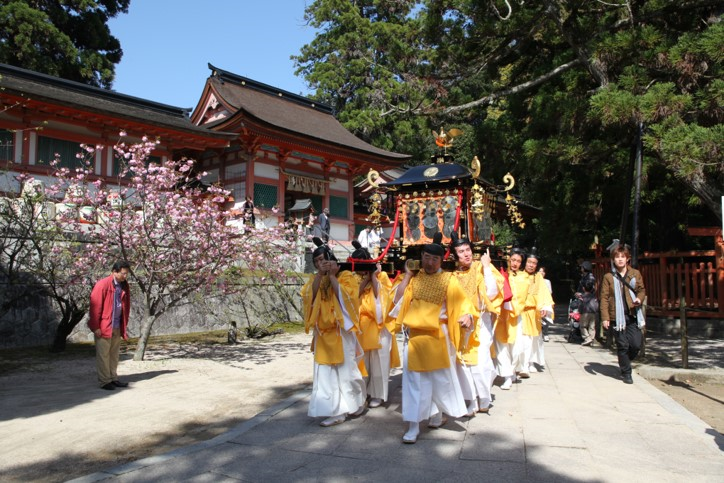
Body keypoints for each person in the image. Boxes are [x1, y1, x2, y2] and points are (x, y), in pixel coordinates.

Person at [390, 232, 475, 444]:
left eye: (434, 259)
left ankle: (437, 413)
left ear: (441, 260)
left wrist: (466, 315)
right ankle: (413, 425)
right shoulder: (414, 277)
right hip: (415, 337)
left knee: (440, 379)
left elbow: (464, 303)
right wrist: (408, 275)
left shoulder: (449, 280)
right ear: (422, 256)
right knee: (414, 381)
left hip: (439, 336)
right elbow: (397, 299)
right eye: (426, 257)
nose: (429, 262)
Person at [301, 238, 367, 426]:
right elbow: (308, 296)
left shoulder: (346, 277)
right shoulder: (315, 279)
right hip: (322, 334)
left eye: (322, 260)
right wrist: (321, 276)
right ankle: (335, 411)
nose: (320, 264)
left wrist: (332, 276)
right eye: (316, 262)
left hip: (341, 332)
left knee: (348, 374)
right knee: (325, 375)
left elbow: (348, 299)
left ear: (331, 258)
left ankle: (357, 400)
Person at [450, 233, 503, 416]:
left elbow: (491, 293)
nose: (466, 254)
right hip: (460, 322)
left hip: (481, 320)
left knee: (481, 362)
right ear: (454, 256)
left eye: (467, 250)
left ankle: (484, 398)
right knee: (463, 362)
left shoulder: (482, 267)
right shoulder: (453, 275)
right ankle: (470, 400)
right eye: (461, 251)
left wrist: (487, 267)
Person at [351, 241, 398, 409]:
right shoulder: (353, 278)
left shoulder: (382, 276)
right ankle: (363, 393)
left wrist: (373, 276)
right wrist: (364, 280)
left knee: (379, 362)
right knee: (363, 363)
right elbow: (352, 299)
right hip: (362, 327)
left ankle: (378, 394)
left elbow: (384, 300)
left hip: (379, 327)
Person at [600, 243, 646, 384]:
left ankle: (624, 360)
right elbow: (604, 298)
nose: (620, 259)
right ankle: (626, 373)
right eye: (617, 257)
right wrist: (605, 318)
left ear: (627, 259)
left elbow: (641, 290)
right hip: (616, 317)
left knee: (635, 344)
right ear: (613, 260)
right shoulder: (608, 277)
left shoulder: (634, 274)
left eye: (622, 257)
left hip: (632, 314)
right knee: (622, 345)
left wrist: (639, 298)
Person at [88, 260, 132, 390]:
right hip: (104, 326)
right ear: (114, 272)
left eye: (126, 274)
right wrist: (95, 326)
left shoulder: (123, 285)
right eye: (123, 273)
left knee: (114, 354)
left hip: (117, 325)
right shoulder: (102, 285)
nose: (125, 276)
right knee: (103, 355)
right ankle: (105, 380)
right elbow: (95, 307)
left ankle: (113, 378)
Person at [494, 247, 528, 390]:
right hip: (502, 316)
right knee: (502, 347)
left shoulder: (524, 277)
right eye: (513, 260)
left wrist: (514, 307)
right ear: (508, 260)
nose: (515, 263)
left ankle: (513, 370)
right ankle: (506, 376)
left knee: (516, 347)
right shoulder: (501, 275)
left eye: (518, 261)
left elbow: (523, 297)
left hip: (516, 316)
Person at [517, 250, 554, 376]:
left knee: (534, 339)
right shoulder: (519, 275)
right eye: (529, 262)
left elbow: (544, 293)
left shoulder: (538, 277)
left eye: (534, 263)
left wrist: (545, 306)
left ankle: (531, 362)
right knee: (524, 339)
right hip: (522, 312)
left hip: (534, 312)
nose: (531, 265)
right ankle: (523, 365)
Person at [578, 273, 599, 347]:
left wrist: (579, 311)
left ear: (583, 288)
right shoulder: (594, 297)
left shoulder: (582, 297)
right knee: (592, 327)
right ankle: (592, 338)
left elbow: (580, 305)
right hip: (593, 313)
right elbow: (597, 305)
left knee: (583, 326)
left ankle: (587, 338)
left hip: (585, 312)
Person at [538, 266, 554, 342]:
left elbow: (550, 292)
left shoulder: (547, 281)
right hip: (537, 302)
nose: (541, 273)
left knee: (546, 319)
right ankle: (539, 334)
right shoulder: (534, 281)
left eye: (543, 271)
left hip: (545, 301)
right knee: (538, 319)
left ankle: (546, 334)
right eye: (540, 271)